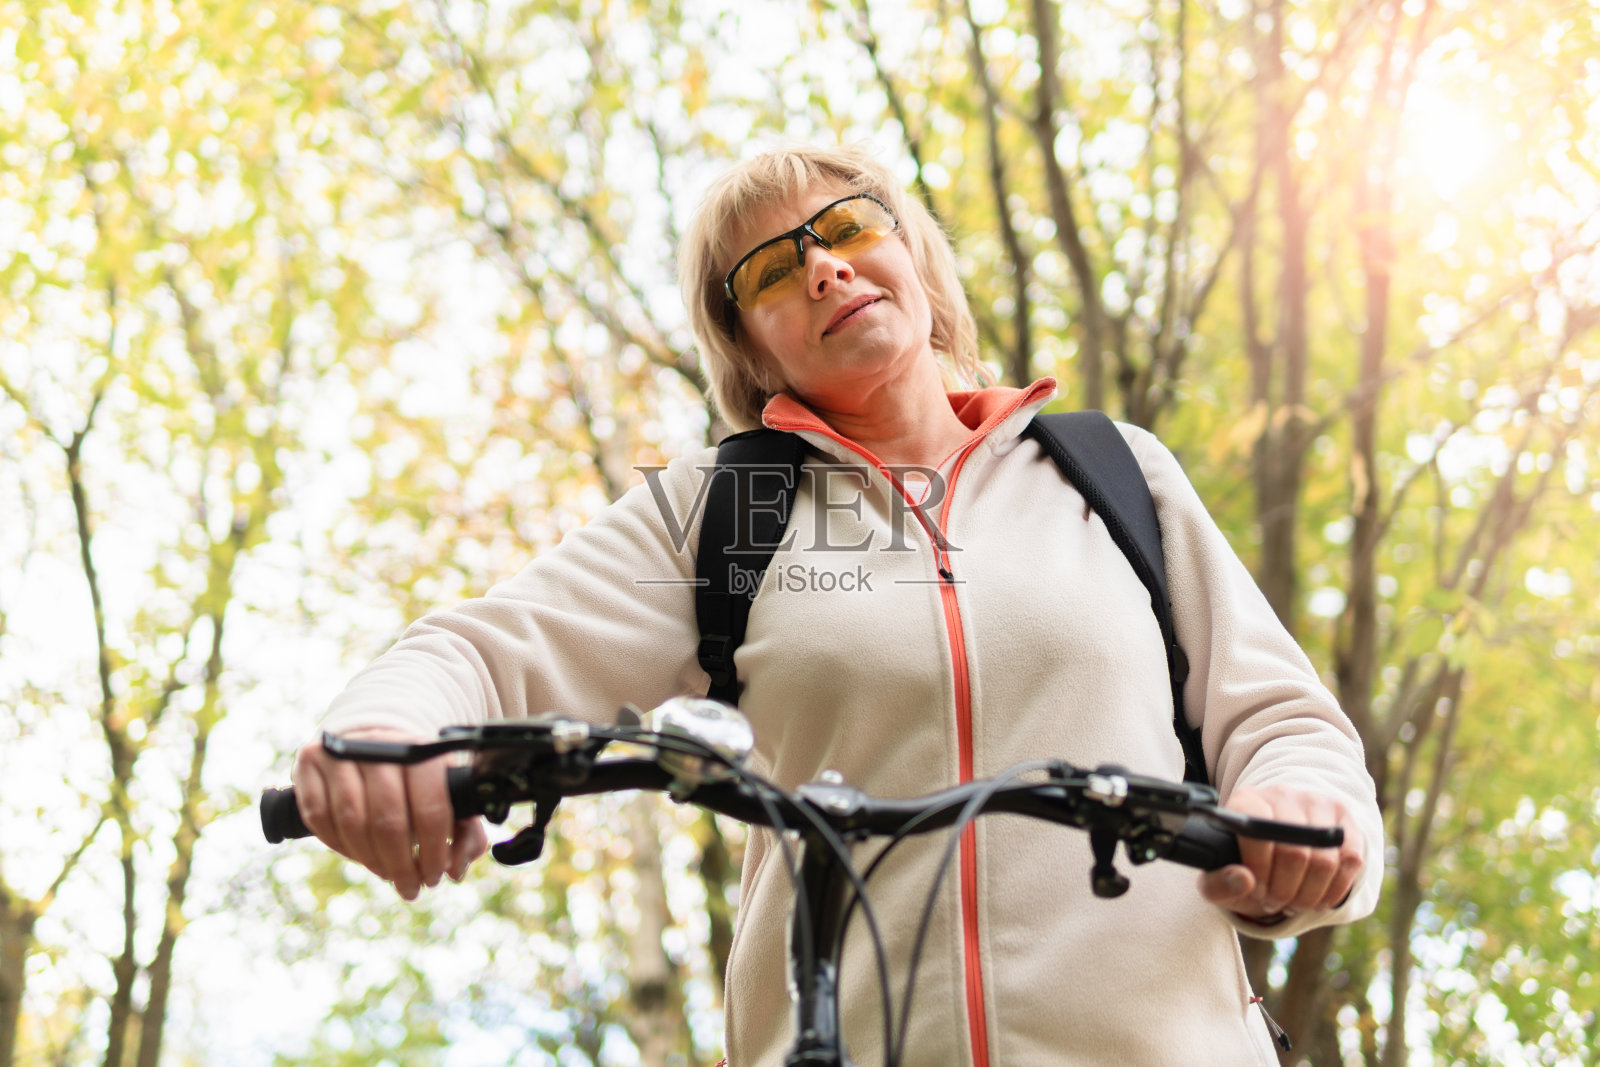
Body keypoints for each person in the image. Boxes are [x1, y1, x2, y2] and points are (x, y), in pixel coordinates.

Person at [292, 144, 1383, 1065]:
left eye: (847, 225)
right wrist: (381, 738)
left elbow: (1280, 720)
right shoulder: (725, 509)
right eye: (771, 267)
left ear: (909, 251)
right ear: (747, 340)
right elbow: (482, 650)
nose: (821, 266)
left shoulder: (1109, 472)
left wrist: (1301, 815)